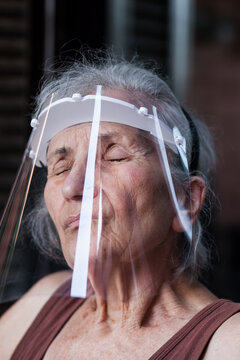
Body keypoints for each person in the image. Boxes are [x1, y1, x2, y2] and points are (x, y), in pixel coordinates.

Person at [0, 54, 240, 360]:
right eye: (60, 168)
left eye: (114, 156)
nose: (74, 187)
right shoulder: (41, 303)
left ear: (185, 200)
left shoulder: (229, 344)